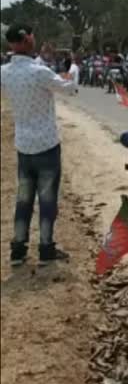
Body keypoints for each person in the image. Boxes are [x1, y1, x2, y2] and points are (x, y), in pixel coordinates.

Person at [0, 24, 77, 267]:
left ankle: (18, 250)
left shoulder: (4, 72)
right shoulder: (38, 71)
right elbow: (69, 88)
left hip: (23, 145)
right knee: (47, 200)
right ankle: (45, 249)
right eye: (31, 34)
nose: (34, 37)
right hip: (46, 145)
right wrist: (74, 67)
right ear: (24, 40)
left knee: (23, 199)